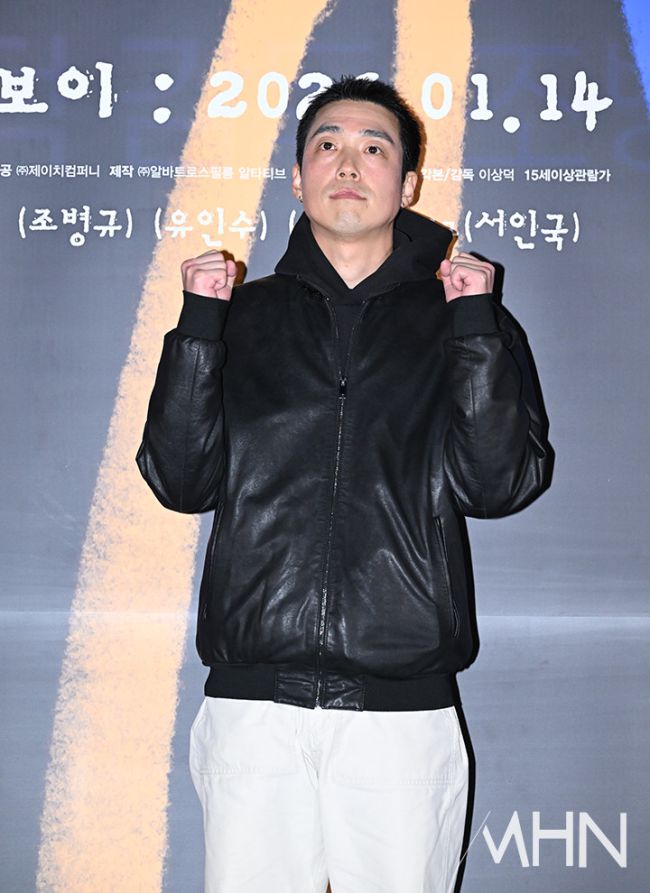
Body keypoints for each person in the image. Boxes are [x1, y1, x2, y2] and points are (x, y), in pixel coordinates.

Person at [136, 76, 551, 893]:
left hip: (402, 717)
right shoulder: (237, 316)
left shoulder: (465, 319)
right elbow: (180, 480)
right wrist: (199, 327)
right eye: (327, 145)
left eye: (374, 147)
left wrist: (473, 329)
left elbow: (498, 484)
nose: (349, 164)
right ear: (298, 179)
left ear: (408, 184)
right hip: (254, 715)